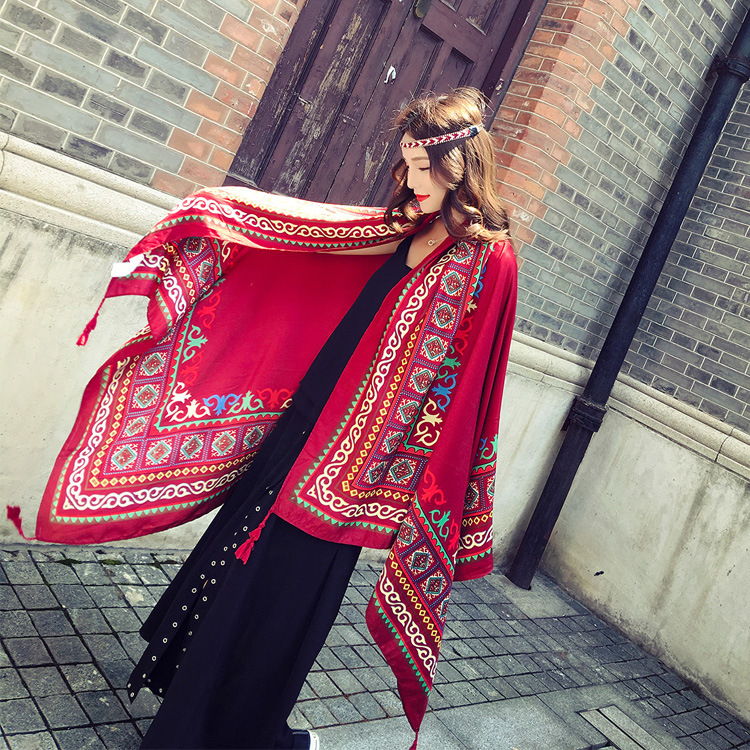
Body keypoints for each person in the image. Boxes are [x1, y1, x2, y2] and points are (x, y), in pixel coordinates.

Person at [23, 87, 518, 750]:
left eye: (424, 168)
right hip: (301, 427)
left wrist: (407, 485)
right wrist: (220, 215)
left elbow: (466, 385)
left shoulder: (489, 258)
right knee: (236, 567)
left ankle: (241, 731)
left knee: (281, 596)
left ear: (461, 167)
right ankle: (195, 712)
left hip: (354, 470)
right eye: (406, 164)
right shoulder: (400, 227)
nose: (411, 180)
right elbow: (307, 240)